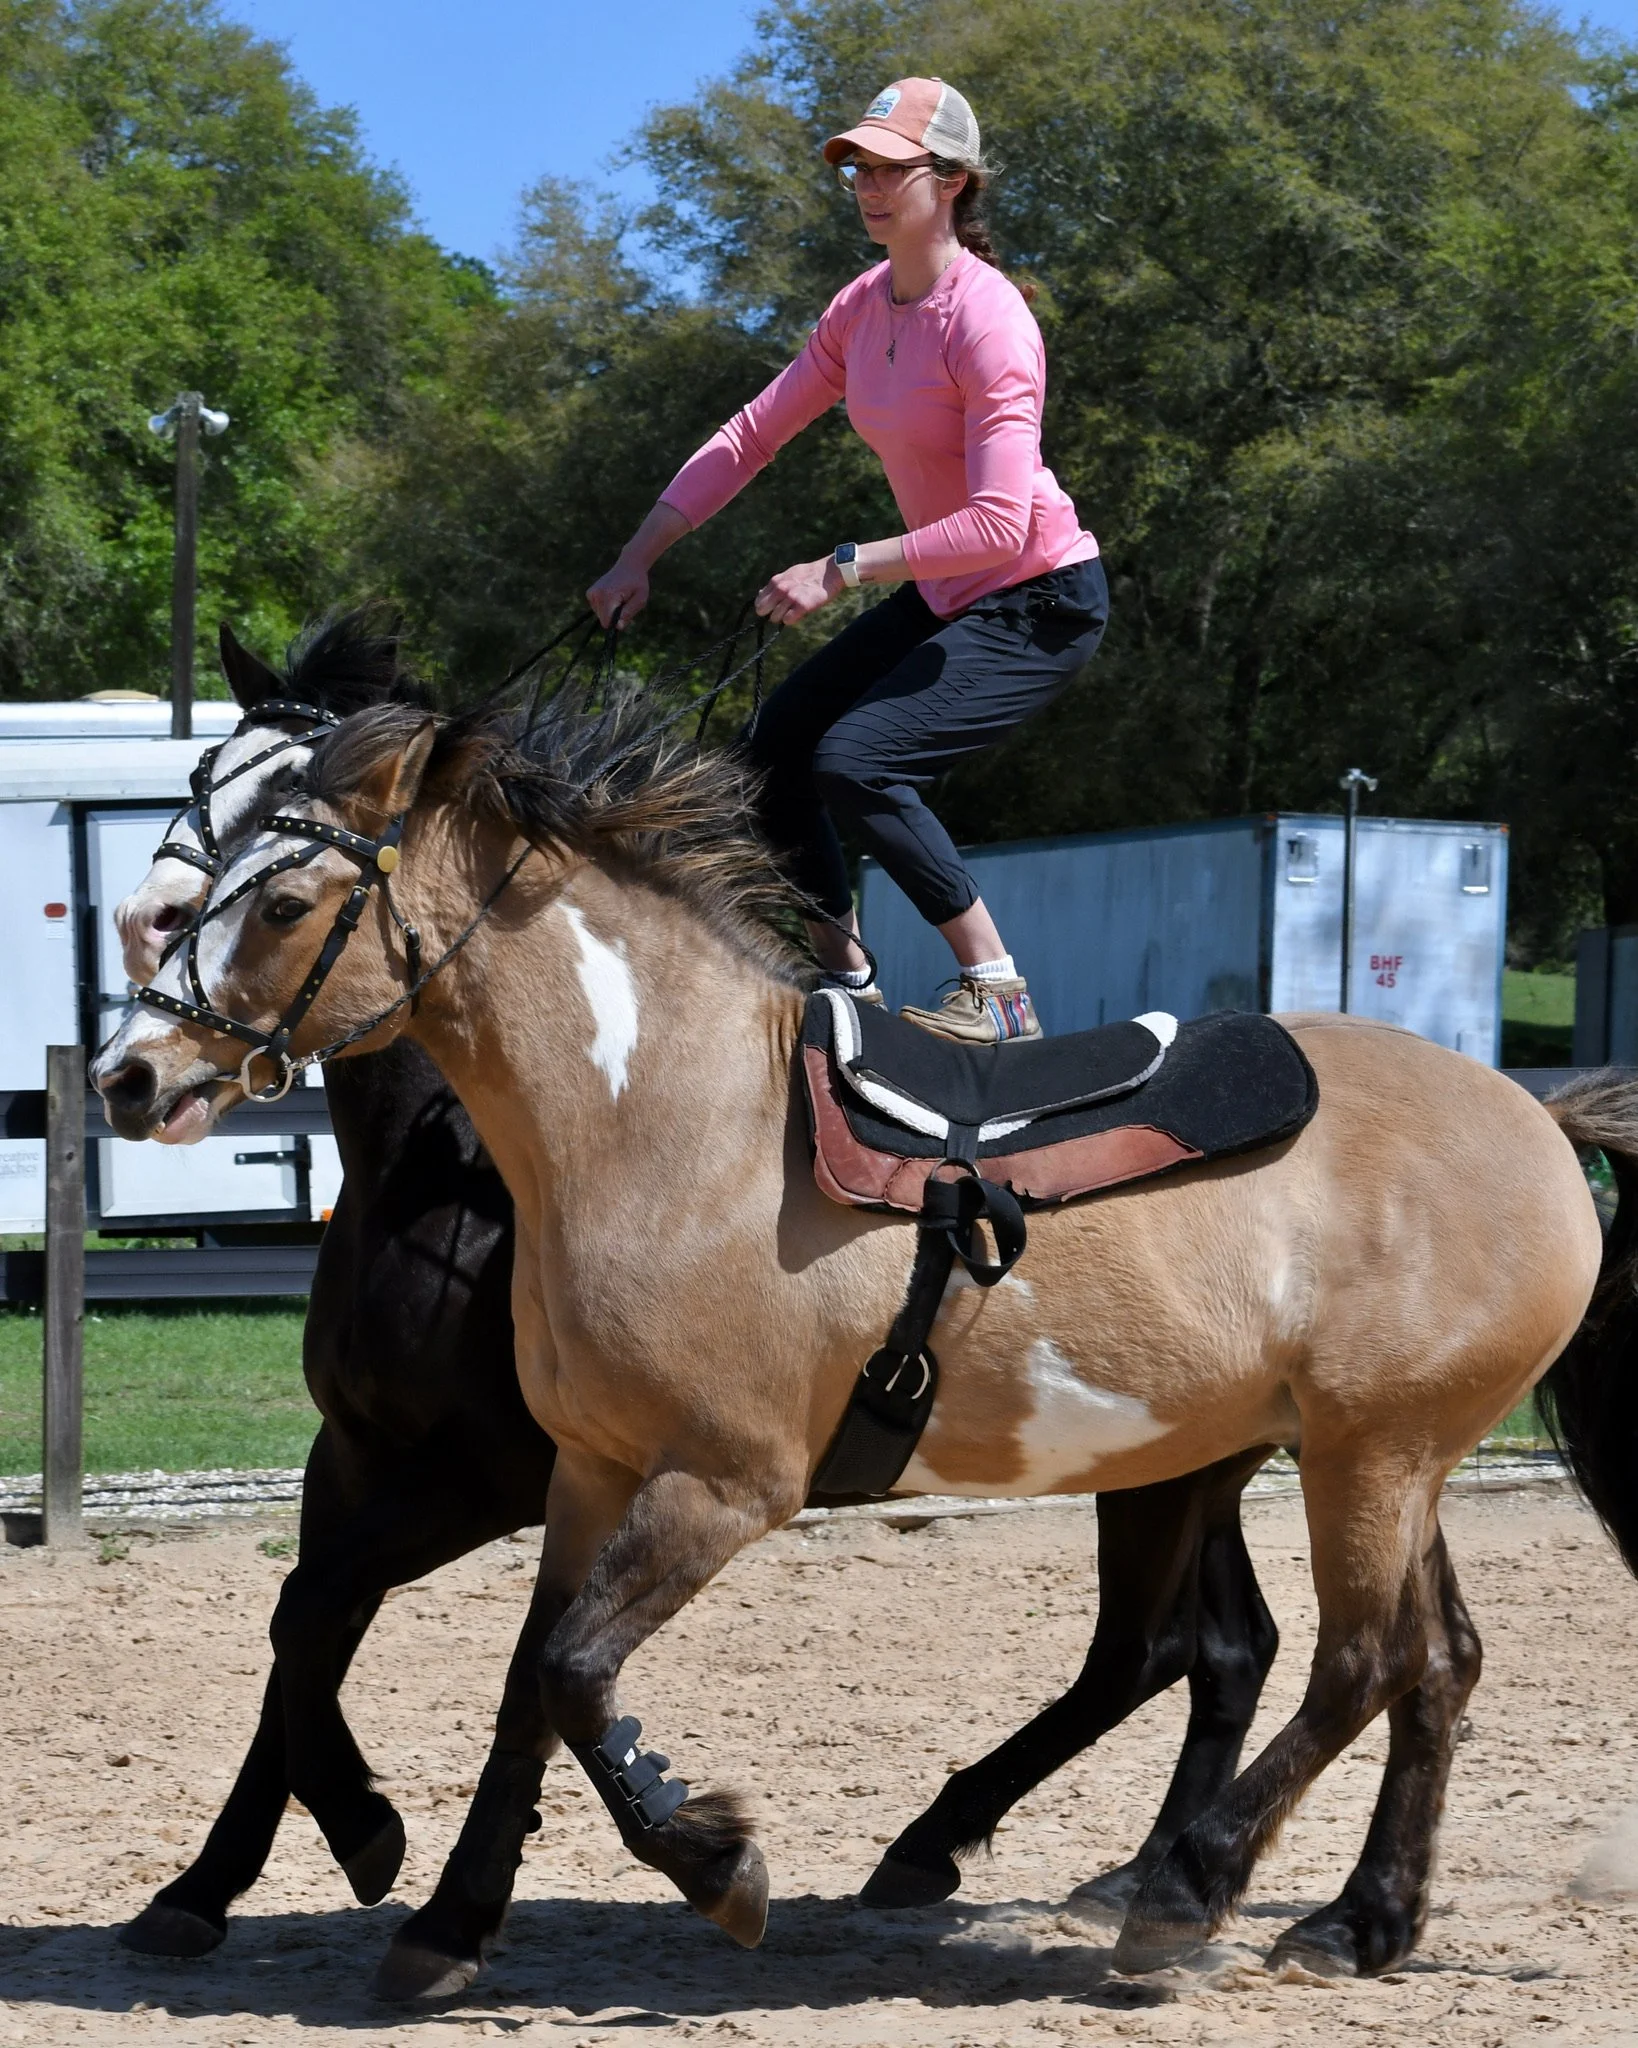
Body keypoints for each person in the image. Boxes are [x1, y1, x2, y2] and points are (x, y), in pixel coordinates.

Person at [588, 76, 1107, 1044]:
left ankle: (999, 994)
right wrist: (637, 554)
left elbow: (1000, 522)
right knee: (769, 754)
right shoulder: (865, 307)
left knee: (859, 761)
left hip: (1041, 598)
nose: (868, 185)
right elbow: (751, 434)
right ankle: (846, 978)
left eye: (889, 168)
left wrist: (841, 565)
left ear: (951, 180)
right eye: (856, 168)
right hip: (950, 590)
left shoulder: (989, 322)